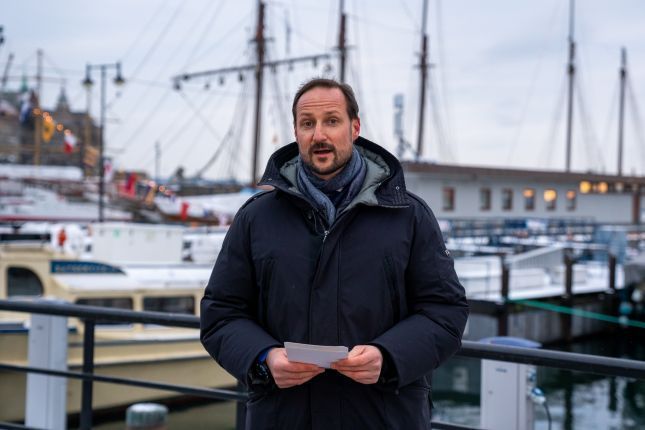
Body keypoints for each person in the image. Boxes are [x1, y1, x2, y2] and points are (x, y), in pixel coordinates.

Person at [200, 77, 469, 429]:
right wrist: (263, 358)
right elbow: (221, 313)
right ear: (296, 132)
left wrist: (389, 356)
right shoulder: (256, 217)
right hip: (284, 417)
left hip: (383, 417)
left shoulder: (408, 215)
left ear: (354, 128)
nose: (319, 135)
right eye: (307, 123)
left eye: (331, 121)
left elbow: (445, 311)